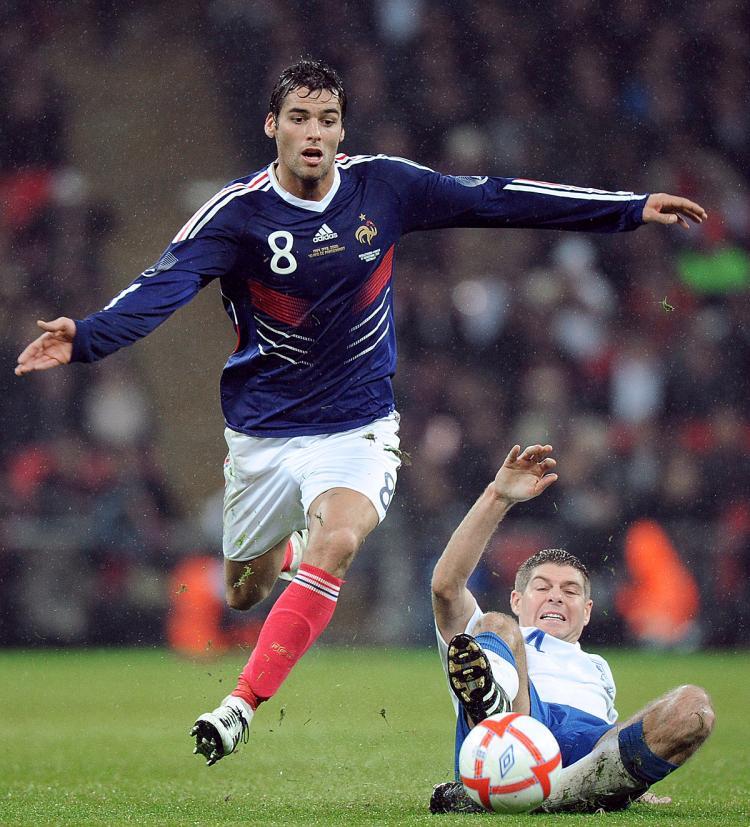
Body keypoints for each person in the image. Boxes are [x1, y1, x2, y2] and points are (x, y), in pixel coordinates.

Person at [15, 58, 708, 767]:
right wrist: (88, 337)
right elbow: (164, 285)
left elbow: (496, 196)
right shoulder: (239, 215)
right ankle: (281, 550)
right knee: (244, 589)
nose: (313, 133)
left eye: (326, 120)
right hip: (261, 434)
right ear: (271, 127)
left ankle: (238, 705)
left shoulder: (385, 187)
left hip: (358, 426)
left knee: (338, 542)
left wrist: (625, 208)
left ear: (341, 130)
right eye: (298, 118)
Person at [429, 443, 715, 814]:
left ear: (587, 612)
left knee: (694, 706)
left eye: (570, 590)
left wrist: (633, 775)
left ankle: (546, 793)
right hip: (519, 723)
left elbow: (609, 744)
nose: (556, 597)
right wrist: (498, 496)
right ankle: (497, 718)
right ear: (519, 600)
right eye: (542, 587)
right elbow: (446, 586)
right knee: (495, 624)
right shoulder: (498, 638)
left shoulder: (597, 668)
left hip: (588, 754)